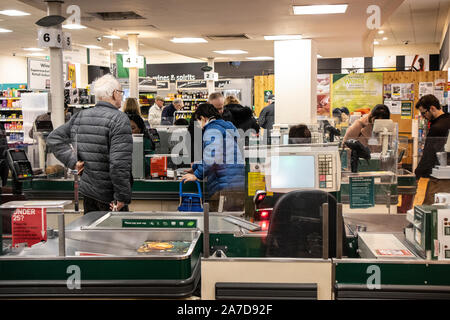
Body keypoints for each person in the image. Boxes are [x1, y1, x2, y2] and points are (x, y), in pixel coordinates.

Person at [47, 74, 133, 214]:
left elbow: (54, 138)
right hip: (110, 196)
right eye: (121, 93)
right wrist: (122, 196)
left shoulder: (81, 116)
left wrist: (73, 161)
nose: (122, 97)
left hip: (88, 193)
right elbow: (119, 164)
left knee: (91, 233)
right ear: (114, 93)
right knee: (115, 235)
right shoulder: (119, 119)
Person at [182, 103, 245, 211]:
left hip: (225, 185)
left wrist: (197, 174)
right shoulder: (225, 127)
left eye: (198, 121)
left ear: (202, 118)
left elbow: (212, 155)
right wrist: (196, 167)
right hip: (237, 183)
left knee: (219, 222)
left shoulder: (212, 129)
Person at [415, 94, 450, 179]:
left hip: (437, 174)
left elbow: (428, 155)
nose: (424, 117)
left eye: (424, 113)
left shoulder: (437, 128)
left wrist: (418, 173)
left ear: (432, 108)